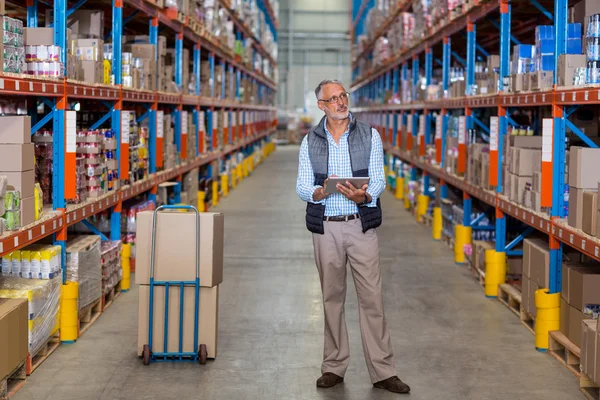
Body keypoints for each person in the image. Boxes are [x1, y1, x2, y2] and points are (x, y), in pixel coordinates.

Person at [296, 79, 410, 394]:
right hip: (327, 226)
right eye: (332, 99)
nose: (340, 102)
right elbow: (302, 185)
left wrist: (365, 196)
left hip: (360, 225)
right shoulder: (310, 141)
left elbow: (379, 179)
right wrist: (317, 192)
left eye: (343, 96)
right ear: (321, 105)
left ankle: (383, 371)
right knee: (332, 299)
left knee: (372, 298)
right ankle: (333, 365)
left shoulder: (369, 135)